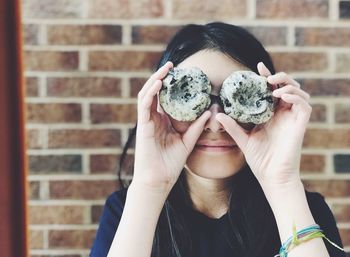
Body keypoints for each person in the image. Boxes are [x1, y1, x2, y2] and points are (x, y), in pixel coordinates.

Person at [90, 22, 346, 257]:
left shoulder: (304, 209)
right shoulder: (126, 209)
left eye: (237, 98)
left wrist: (281, 183)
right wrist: (149, 187)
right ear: (161, 104)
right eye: (190, 96)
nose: (215, 122)